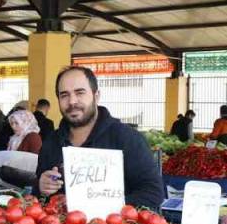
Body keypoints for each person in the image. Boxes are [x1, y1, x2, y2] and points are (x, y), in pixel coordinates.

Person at [34, 66, 164, 210]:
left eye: (80, 93)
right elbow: (38, 199)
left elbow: (153, 193)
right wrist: (41, 187)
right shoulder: (51, 143)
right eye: (64, 95)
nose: (72, 101)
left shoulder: (126, 138)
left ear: (96, 96)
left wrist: (104, 208)